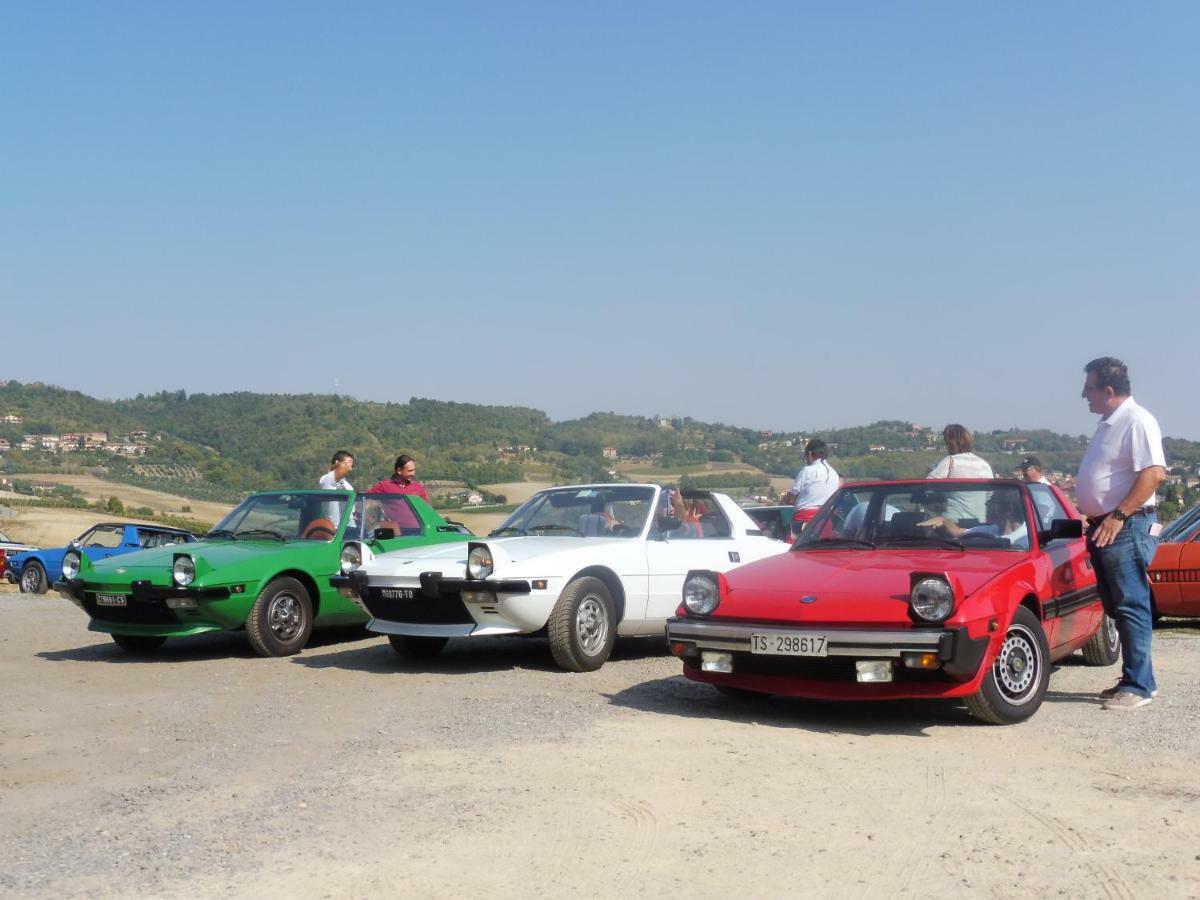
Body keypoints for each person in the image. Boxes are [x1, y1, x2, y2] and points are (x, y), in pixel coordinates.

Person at [1076, 357, 1165, 711]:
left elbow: (1154, 473)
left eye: (1089, 387)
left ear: (1108, 390)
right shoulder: (1110, 424)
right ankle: (1140, 679)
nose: (1084, 394)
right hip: (1108, 527)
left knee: (1130, 604)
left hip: (1125, 527)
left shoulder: (1136, 420)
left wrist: (1117, 515)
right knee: (1118, 605)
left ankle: (1138, 686)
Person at [927, 424, 993, 523]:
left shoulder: (950, 461)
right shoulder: (984, 465)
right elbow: (990, 495)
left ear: (950, 443)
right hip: (980, 523)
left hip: (952, 523)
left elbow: (926, 485)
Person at [920, 489, 1029, 549]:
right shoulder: (992, 529)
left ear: (1008, 509)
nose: (987, 504)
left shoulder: (1025, 540)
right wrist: (942, 520)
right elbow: (958, 532)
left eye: (993, 501)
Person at [784, 439, 840, 529]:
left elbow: (791, 499)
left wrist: (784, 499)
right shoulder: (835, 474)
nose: (806, 460)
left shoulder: (807, 471)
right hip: (826, 521)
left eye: (805, 456)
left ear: (809, 453)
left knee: (793, 543)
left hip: (804, 520)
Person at [317, 450, 354, 529]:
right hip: (333, 529)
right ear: (337, 463)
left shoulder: (348, 485)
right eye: (348, 463)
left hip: (349, 527)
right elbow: (337, 473)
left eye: (352, 465)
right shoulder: (327, 480)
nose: (350, 469)